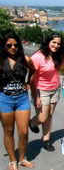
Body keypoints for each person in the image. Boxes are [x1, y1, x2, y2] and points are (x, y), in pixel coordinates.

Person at [0, 30, 35, 169]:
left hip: (22, 99)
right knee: (8, 131)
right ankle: (12, 160)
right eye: (9, 45)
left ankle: (22, 158)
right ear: (4, 46)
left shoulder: (25, 60)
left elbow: (33, 71)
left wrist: (29, 84)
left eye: (15, 45)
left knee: (23, 132)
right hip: (5, 99)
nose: (13, 48)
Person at [29, 33, 64, 152]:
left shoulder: (58, 55)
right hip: (41, 90)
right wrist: (36, 97)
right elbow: (32, 79)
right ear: (48, 42)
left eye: (58, 43)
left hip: (55, 89)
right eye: (54, 42)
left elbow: (62, 68)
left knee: (49, 116)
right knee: (43, 117)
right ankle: (32, 123)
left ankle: (46, 140)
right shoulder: (38, 57)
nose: (56, 45)